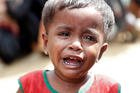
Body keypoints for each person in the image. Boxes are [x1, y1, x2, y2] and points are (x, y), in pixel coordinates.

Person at [17, 0, 121, 93]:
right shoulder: (29, 85)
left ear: (101, 52)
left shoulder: (108, 88)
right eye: (65, 34)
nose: (75, 45)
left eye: (89, 38)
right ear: (46, 43)